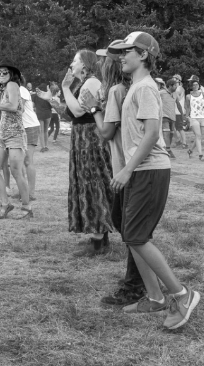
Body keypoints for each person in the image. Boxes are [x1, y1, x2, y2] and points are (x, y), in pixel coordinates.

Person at [108, 31, 200, 329]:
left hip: (149, 169)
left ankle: (182, 294)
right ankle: (155, 297)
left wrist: (126, 169)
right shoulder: (135, 88)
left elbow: (150, 134)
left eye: (128, 51)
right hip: (140, 170)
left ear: (144, 55)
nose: (122, 56)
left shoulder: (145, 89)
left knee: (135, 235)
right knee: (131, 233)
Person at [81, 41, 145, 306]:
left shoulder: (118, 91)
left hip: (127, 166)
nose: (102, 64)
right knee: (123, 223)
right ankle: (137, 281)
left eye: (105, 60)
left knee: (131, 230)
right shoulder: (120, 89)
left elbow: (106, 132)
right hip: (122, 165)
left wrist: (94, 108)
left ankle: (135, 285)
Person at [60, 50, 114, 256]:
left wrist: (65, 88)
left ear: (85, 64)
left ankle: (99, 240)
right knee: (88, 182)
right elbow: (72, 114)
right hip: (82, 138)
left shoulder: (91, 82)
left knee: (93, 183)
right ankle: (100, 234)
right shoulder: (85, 83)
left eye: (75, 60)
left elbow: (78, 111)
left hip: (90, 140)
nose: (71, 64)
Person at [0, 62, 32, 219]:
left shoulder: (12, 85)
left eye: (5, 73)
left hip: (15, 135)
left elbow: (13, 106)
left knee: (16, 171)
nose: (1, 75)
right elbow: (9, 107)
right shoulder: (5, 88)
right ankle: (5, 204)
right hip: (2, 135)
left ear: (12, 75)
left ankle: (27, 207)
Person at [18, 77, 40, 201]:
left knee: (27, 160)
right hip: (19, 128)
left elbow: (18, 109)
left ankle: (30, 192)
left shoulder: (22, 90)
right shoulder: (10, 91)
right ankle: (23, 191)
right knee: (19, 161)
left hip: (30, 127)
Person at [185, 76, 204, 161]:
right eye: (194, 85)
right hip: (194, 117)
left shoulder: (203, 94)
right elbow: (187, 107)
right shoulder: (188, 96)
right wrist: (186, 117)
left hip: (203, 116)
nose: (195, 86)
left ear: (199, 85)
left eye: (196, 84)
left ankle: (190, 150)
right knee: (198, 136)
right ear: (191, 86)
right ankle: (201, 155)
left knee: (199, 137)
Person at [159, 78, 177, 159]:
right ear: (170, 86)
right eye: (175, 85)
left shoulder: (174, 94)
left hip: (172, 116)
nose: (176, 87)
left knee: (171, 133)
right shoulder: (161, 93)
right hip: (164, 115)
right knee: (167, 132)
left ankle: (166, 148)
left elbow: (178, 104)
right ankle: (168, 150)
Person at [171, 74, 187, 148]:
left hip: (178, 111)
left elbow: (179, 98)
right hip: (174, 111)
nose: (172, 79)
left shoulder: (180, 88)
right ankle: (179, 140)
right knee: (174, 127)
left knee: (180, 128)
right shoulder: (176, 88)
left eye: (174, 78)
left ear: (178, 80)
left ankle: (184, 142)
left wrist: (174, 92)